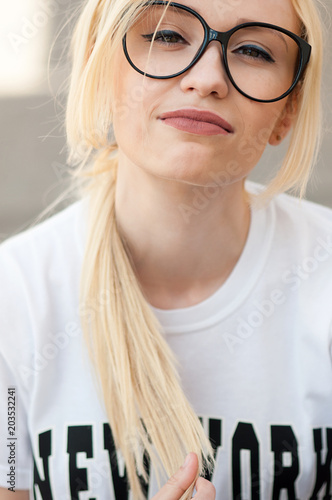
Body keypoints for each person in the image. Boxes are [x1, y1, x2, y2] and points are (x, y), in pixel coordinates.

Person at [0, 0, 331, 498]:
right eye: (167, 37)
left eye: (253, 50)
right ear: (98, 64)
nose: (207, 78)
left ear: (289, 108)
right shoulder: (13, 298)